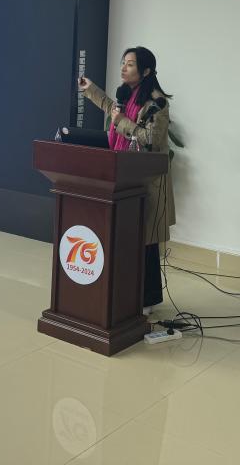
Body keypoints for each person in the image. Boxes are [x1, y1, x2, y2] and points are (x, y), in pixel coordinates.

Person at [78, 46, 175, 314]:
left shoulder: (157, 103)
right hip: (123, 174)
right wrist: (91, 89)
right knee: (128, 237)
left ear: (146, 71)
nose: (123, 68)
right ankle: (127, 293)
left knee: (145, 241)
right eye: (123, 63)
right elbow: (112, 109)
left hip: (146, 180)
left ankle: (148, 299)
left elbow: (150, 139)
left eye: (130, 64)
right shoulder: (126, 95)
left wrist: (121, 121)